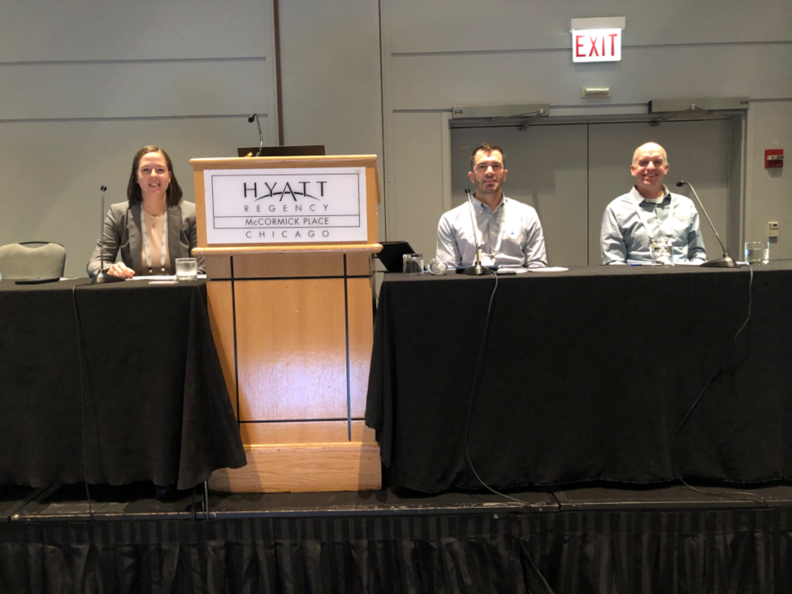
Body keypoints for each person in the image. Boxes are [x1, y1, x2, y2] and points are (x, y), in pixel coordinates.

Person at [87, 145, 204, 278]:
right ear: (136, 176)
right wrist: (111, 270)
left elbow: (203, 267)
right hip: (135, 295)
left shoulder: (192, 213)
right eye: (146, 170)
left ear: (169, 176)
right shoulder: (119, 214)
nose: (153, 175)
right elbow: (95, 263)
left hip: (181, 293)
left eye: (160, 170)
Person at [436, 142, 547, 269]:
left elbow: (537, 267)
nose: (489, 172)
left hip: (517, 286)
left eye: (496, 166)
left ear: (504, 174)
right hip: (469, 287)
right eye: (482, 166)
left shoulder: (527, 215)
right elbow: (448, 272)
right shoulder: (450, 220)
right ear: (471, 177)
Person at [600, 142, 707, 265]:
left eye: (657, 162)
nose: (650, 167)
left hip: (683, 280)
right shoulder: (616, 209)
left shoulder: (686, 205)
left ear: (666, 168)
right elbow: (613, 261)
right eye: (643, 162)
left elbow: (698, 254)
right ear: (633, 170)